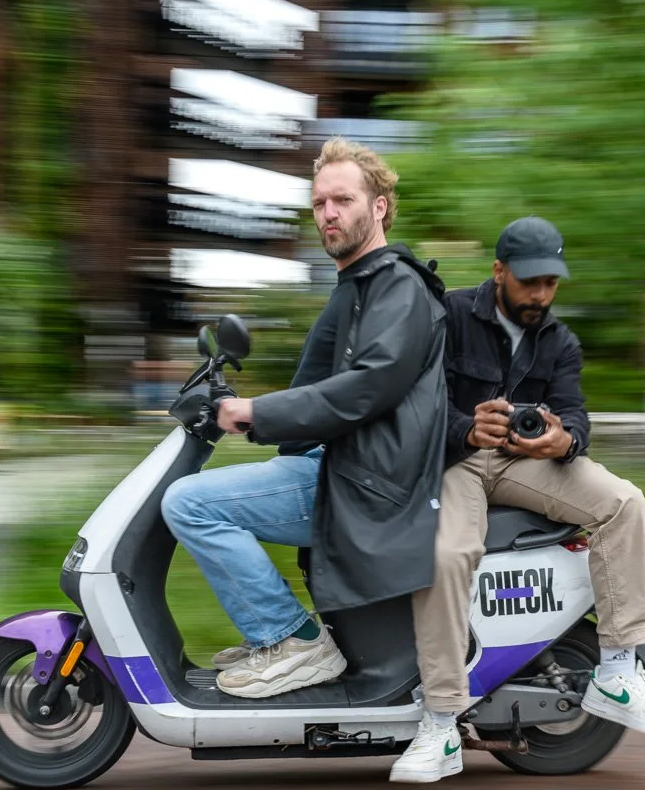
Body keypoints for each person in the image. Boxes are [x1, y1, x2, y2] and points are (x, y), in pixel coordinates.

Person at [391, 215, 645, 783]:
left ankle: (617, 674)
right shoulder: (449, 315)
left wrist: (564, 440)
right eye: (530, 282)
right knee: (449, 554)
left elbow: (574, 414)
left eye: (551, 283)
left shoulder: (561, 341)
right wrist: (466, 428)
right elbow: (415, 404)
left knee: (625, 502)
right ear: (499, 271)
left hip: (526, 463)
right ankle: (441, 721)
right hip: (456, 460)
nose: (541, 295)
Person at [161, 139, 447, 698]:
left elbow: (368, 387)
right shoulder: (359, 287)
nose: (328, 214)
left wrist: (259, 412)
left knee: (189, 503)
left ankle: (291, 639)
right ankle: (275, 633)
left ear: (379, 206)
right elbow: (321, 390)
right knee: (206, 496)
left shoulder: (396, 287)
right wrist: (253, 417)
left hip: (367, 482)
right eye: (319, 203)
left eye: (343, 200)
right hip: (343, 463)